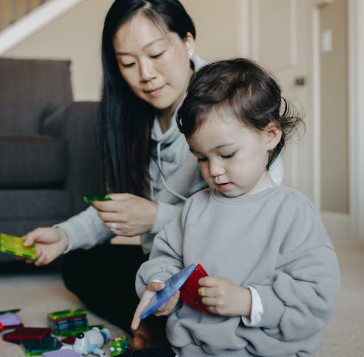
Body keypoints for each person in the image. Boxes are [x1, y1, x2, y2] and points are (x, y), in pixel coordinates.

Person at [22, 0, 283, 349]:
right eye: (128, 63)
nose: (145, 74)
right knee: (80, 264)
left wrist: (155, 217)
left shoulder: (224, 105)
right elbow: (121, 207)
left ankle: (178, 329)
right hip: (164, 260)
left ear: (188, 42)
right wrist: (64, 235)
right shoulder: (134, 116)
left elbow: (255, 219)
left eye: (157, 54)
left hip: (223, 264)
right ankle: (165, 325)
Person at [130, 58, 341, 357]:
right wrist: (161, 286)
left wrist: (248, 301)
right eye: (201, 158)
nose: (214, 170)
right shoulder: (194, 208)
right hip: (190, 348)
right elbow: (164, 259)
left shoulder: (291, 211)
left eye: (227, 154)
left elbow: (316, 297)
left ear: (270, 135)